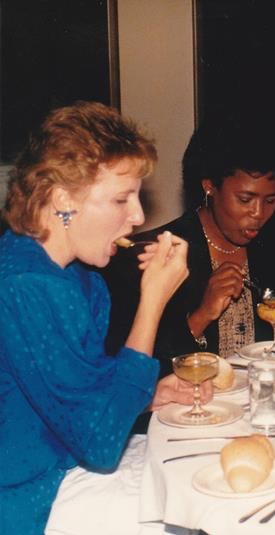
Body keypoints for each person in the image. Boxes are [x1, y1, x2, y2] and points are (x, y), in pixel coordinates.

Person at [0, 101, 204, 535]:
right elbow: (100, 442)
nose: (139, 216)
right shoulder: (24, 285)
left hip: (63, 462)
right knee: (183, 512)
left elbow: (82, 395)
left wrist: (148, 395)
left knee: (195, 474)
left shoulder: (77, 276)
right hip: (25, 495)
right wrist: (153, 302)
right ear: (62, 200)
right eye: (120, 198)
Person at [104, 117, 275, 376]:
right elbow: (135, 372)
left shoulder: (274, 252)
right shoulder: (153, 256)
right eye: (245, 199)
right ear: (209, 187)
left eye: (270, 201)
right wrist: (202, 315)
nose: (258, 214)